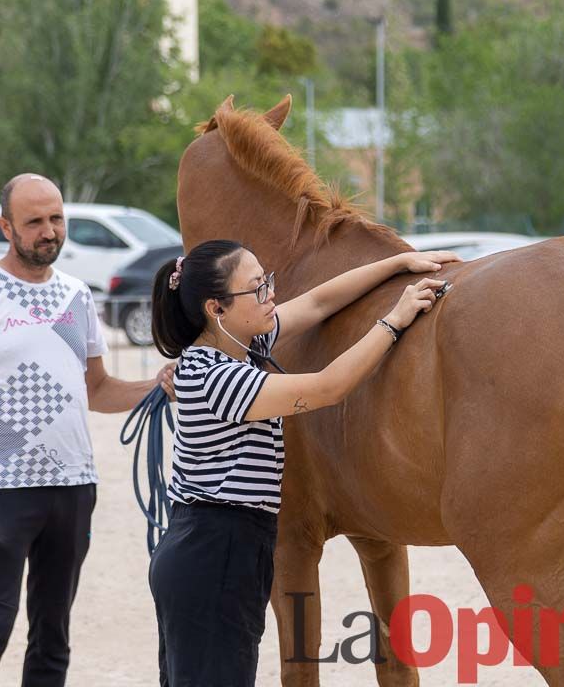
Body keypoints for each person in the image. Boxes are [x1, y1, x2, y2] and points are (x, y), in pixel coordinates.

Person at [147, 239, 458, 686]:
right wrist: (394, 320)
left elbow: (317, 302)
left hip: (227, 546)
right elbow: (329, 387)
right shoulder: (216, 376)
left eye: (267, 281)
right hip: (213, 551)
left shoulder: (242, 345)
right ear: (216, 308)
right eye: (256, 289)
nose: (270, 294)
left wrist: (396, 264)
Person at [0, 173, 175, 687]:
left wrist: (158, 386)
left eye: (57, 218)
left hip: (72, 489)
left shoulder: (77, 295)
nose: (49, 231)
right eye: (35, 221)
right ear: (6, 227)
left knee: (53, 634)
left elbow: (99, 389)